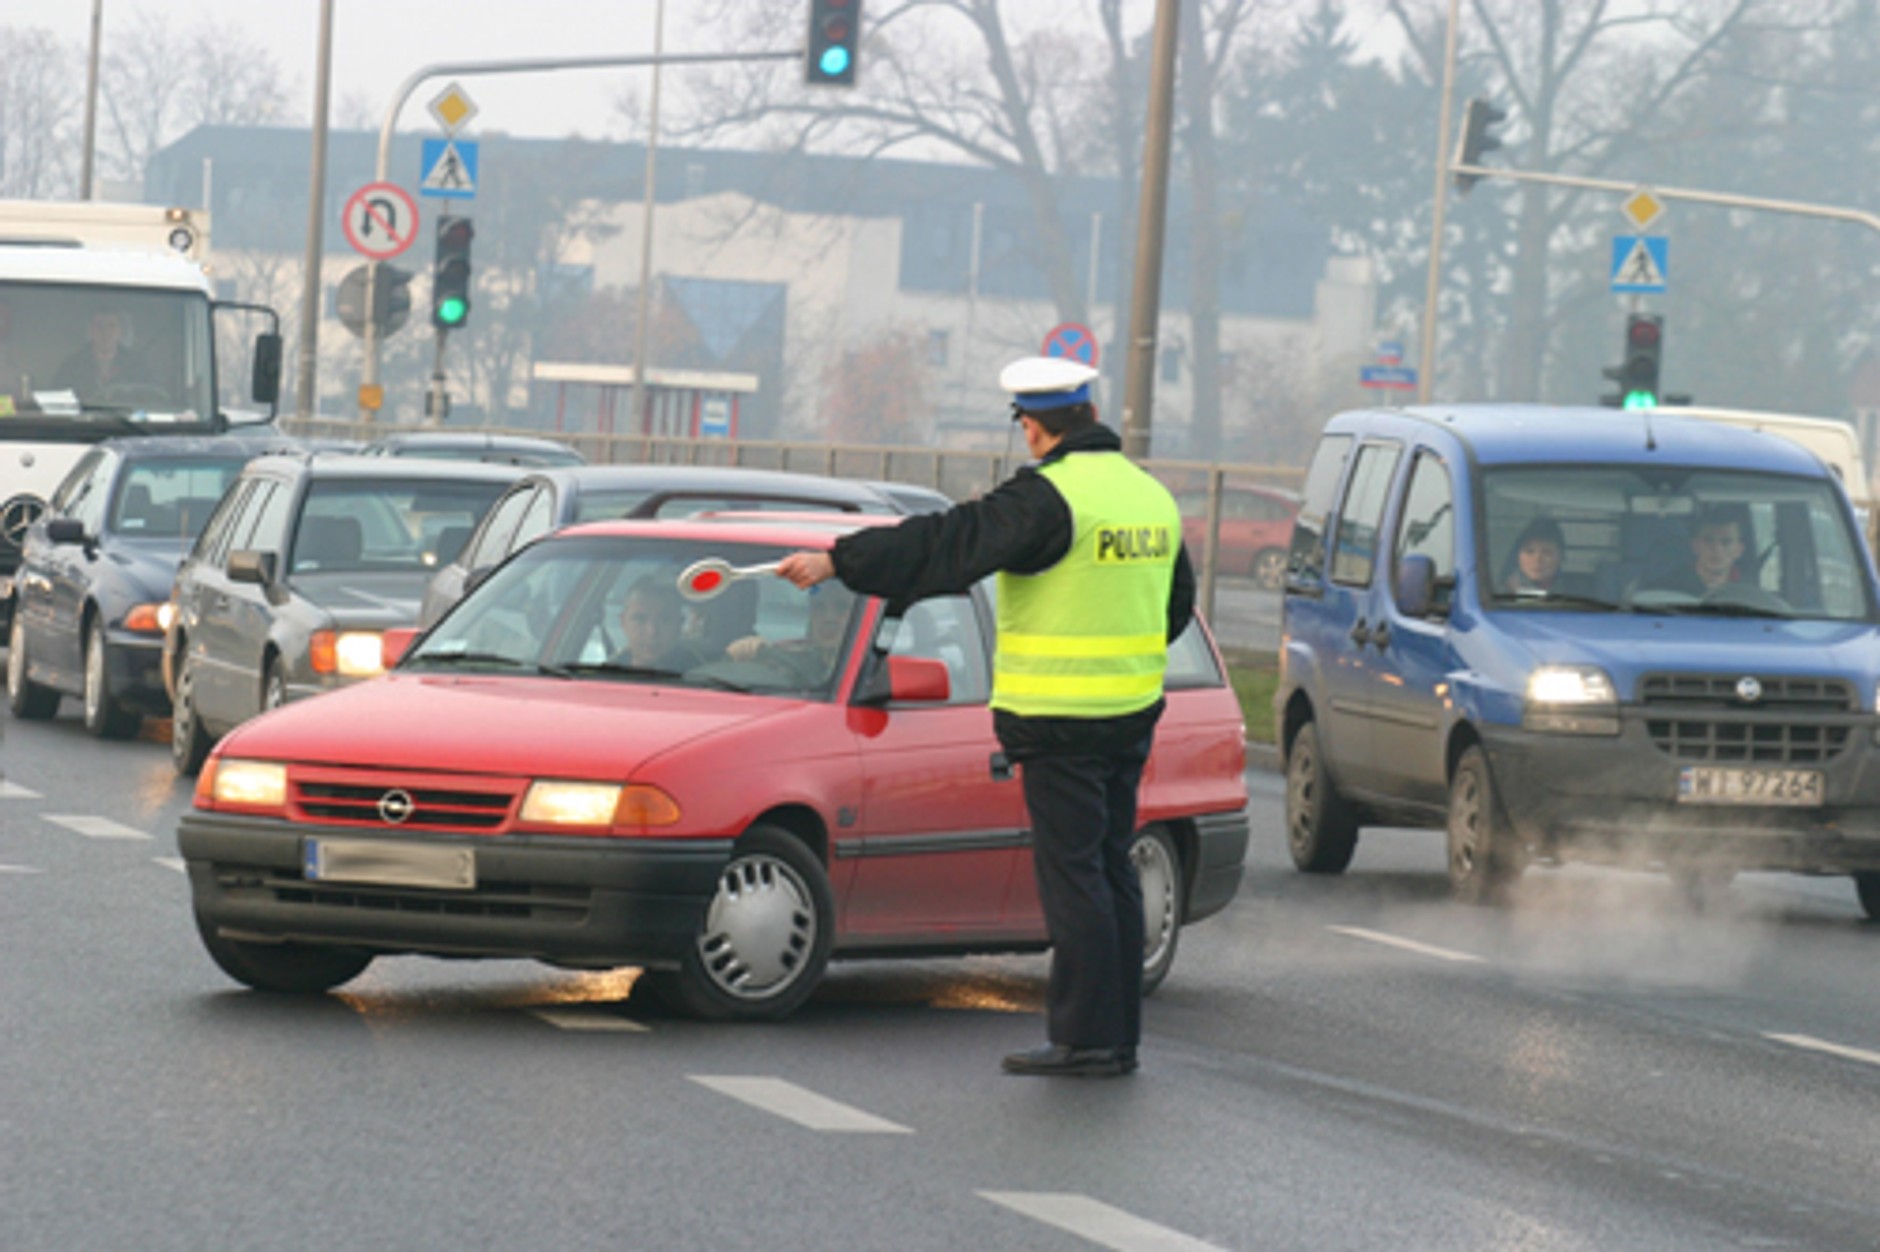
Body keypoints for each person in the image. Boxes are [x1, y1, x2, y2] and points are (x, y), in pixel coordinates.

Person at [772, 356, 1194, 1079]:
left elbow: (949, 545)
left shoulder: (1049, 497)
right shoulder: (1148, 496)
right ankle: (1117, 1035)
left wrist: (839, 561)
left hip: (1061, 719)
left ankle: (1085, 1039)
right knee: (1110, 871)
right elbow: (1177, 604)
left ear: (1033, 426)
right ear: (1088, 415)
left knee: (1075, 880)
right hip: (1129, 714)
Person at [724, 583, 854, 683]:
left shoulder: (868, 673)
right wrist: (750, 650)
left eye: (841, 608)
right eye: (819, 607)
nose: (829, 617)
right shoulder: (785, 654)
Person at [53, 309, 149, 404]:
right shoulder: (72, 367)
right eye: (99, 326)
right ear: (91, 331)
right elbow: (56, 400)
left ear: (120, 332)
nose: (106, 332)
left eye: (112, 326)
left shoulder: (137, 367)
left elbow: (151, 401)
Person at [614, 576, 710, 671]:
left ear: (679, 624)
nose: (652, 631)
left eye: (664, 620)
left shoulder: (706, 678)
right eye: (640, 619)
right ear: (623, 623)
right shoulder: (604, 676)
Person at [1651, 507, 1745, 597]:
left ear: (1739, 550)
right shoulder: (1665, 588)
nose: (1717, 549)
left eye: (1726, 542)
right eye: (1708, 540)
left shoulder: (1750, 591)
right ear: (1694, 545)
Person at [1503, 517, 1567, 595]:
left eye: (1546, 552)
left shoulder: (1574, 593)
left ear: (1561, 557)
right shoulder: (1501, 593)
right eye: (1529, 551)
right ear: (1517, 556)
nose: (1537, 559)